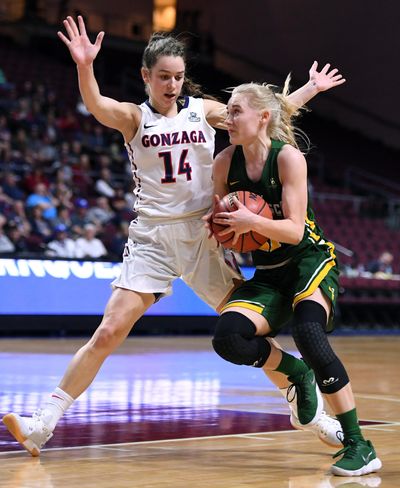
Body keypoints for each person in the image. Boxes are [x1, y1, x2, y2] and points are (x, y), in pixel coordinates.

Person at [2, 15, 346, 457]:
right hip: (152, 239)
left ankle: (318, 418)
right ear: (146, 76)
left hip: (205, 235)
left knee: (247, 332)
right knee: (108, 331)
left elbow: (261, 118)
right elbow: (97, 105)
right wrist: (85, 66)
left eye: (179, 77)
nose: (172, 84)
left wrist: (310, 90)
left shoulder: (202, 110)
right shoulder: (134, 118)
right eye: (164, 76)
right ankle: (41, 425)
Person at [207, 79, 382, 476]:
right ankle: (297, 373)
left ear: (262, 117)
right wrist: (218, 226)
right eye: (228, 110)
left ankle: (359, 444)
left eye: (236, 111)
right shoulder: (223, 163)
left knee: (309, 333)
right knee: (228, 338)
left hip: (309, 260)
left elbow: (295, 230)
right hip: (268, 271)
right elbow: (220, 222)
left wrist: (249, 219)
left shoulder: (288, 158)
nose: (227, 118)